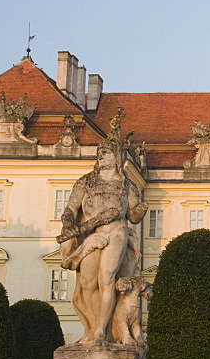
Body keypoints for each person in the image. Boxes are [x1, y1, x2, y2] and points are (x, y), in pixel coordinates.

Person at [58, 138, 148, 345]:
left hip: (116, 232)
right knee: (87, 284)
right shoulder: (86, 182)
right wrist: (69, 224)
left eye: (106, 152)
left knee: (106, 278)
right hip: (91, 235)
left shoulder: (127, 185)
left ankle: (101, 331)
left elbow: (133, 217)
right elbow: (70, 210)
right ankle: (91, 328)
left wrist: (140, 210)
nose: (101, 156)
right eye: (100, 152)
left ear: (116, 156)